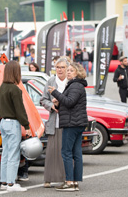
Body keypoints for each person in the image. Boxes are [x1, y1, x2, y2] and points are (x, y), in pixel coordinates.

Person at [0, 60, 30, 192]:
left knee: (6, 153)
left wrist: (1, 111)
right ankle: (11, 184)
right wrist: (27, 126)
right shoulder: (15, 89)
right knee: (14, 154)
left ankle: (4, 182)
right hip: (13, 123)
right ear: (16, 72)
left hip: (3, 123)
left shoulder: (2, 87)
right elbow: (20, 110)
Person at [48, 62, 88, 192]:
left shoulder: (76, 85)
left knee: (66, 152)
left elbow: (70, 102)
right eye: (68, 70)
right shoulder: (74, 85)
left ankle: (69, 182)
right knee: (76, 153)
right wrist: (58, 102)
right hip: (76, 123)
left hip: (72, 123)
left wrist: (55, 93)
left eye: (71, 70)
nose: (68, 72)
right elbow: (68, 102)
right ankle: (75, 182)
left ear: (77, 73)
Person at [40, 57, 69, 188]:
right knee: (51, 151)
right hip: (54, 121)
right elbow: (43, 99)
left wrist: (62, 102)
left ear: (67, 68)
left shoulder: (70, 82)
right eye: (58, 67)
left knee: (66, 152)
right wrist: (51, 105)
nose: (60, 70)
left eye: (63, 67)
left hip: (68, 122)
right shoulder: (51, 81)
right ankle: (48, 179)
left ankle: (65, 178)